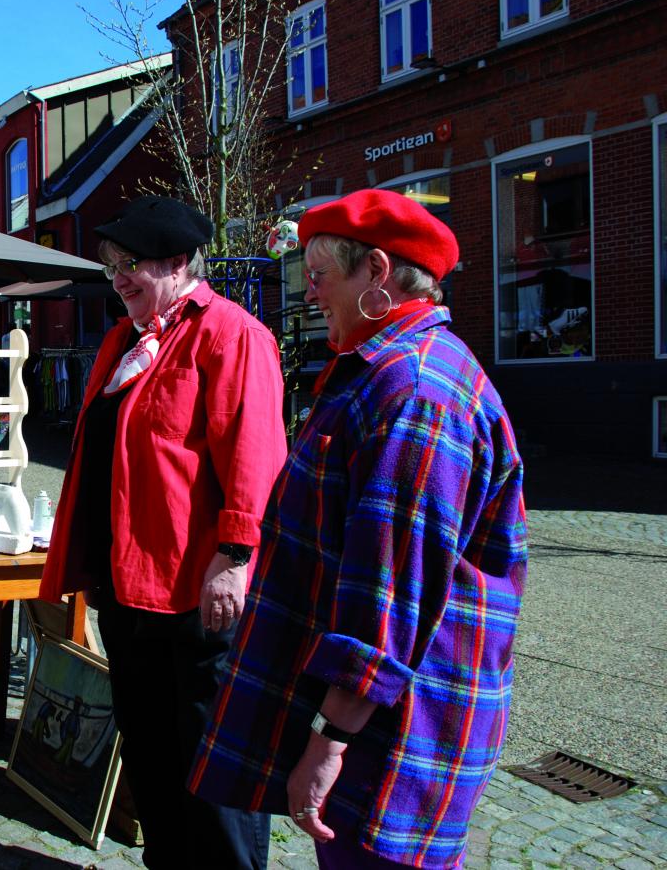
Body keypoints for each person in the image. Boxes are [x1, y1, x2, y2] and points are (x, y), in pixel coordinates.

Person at [188, 190, 527, 869]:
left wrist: (327, 740)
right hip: (386, 722)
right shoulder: (385, 371)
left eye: (319, 276)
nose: (309, 293)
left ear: (377, 271)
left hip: (398, 733)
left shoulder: (416, 390)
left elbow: (389, 596)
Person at [39, 196, 287, 869]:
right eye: (111, 266)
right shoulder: (123, 342)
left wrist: (235, 555)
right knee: (152, 762)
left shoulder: (230, 333)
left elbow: (254, 454)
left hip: (197, 594)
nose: (117, 278)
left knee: (214, 776)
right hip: (128, 589)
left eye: (130, 264)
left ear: (177, 264)